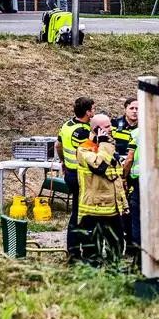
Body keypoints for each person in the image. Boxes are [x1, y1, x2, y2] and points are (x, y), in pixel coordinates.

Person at [73, 114, 131, 263]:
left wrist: (123, 203)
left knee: (116, 246)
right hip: (94, 210)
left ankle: (113, 276)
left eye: (110, 125)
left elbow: (115, 178)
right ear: (96, 129)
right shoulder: (84, 150)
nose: (110, 129)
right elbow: (99, 166)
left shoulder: (109, 146)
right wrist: (105, 144)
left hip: (112, 208)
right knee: (92, 250)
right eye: (106, 127)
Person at [125, 110, 159, 256]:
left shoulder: (136, 133)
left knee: (139, 219)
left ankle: (141, 257)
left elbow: (129, 159)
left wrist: (123, 177)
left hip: (142, 182)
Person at [56, 97, 94, 250]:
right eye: (93, 109)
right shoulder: (83, 131)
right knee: (80, 212)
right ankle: (75, 248)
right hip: (80, 175)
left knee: (77, 210)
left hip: (70, 173)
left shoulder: (67, 125)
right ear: (87, 112)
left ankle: (75, 246)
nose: (94, 113)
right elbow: (88, 154)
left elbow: (58, 145)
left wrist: (63, 161)